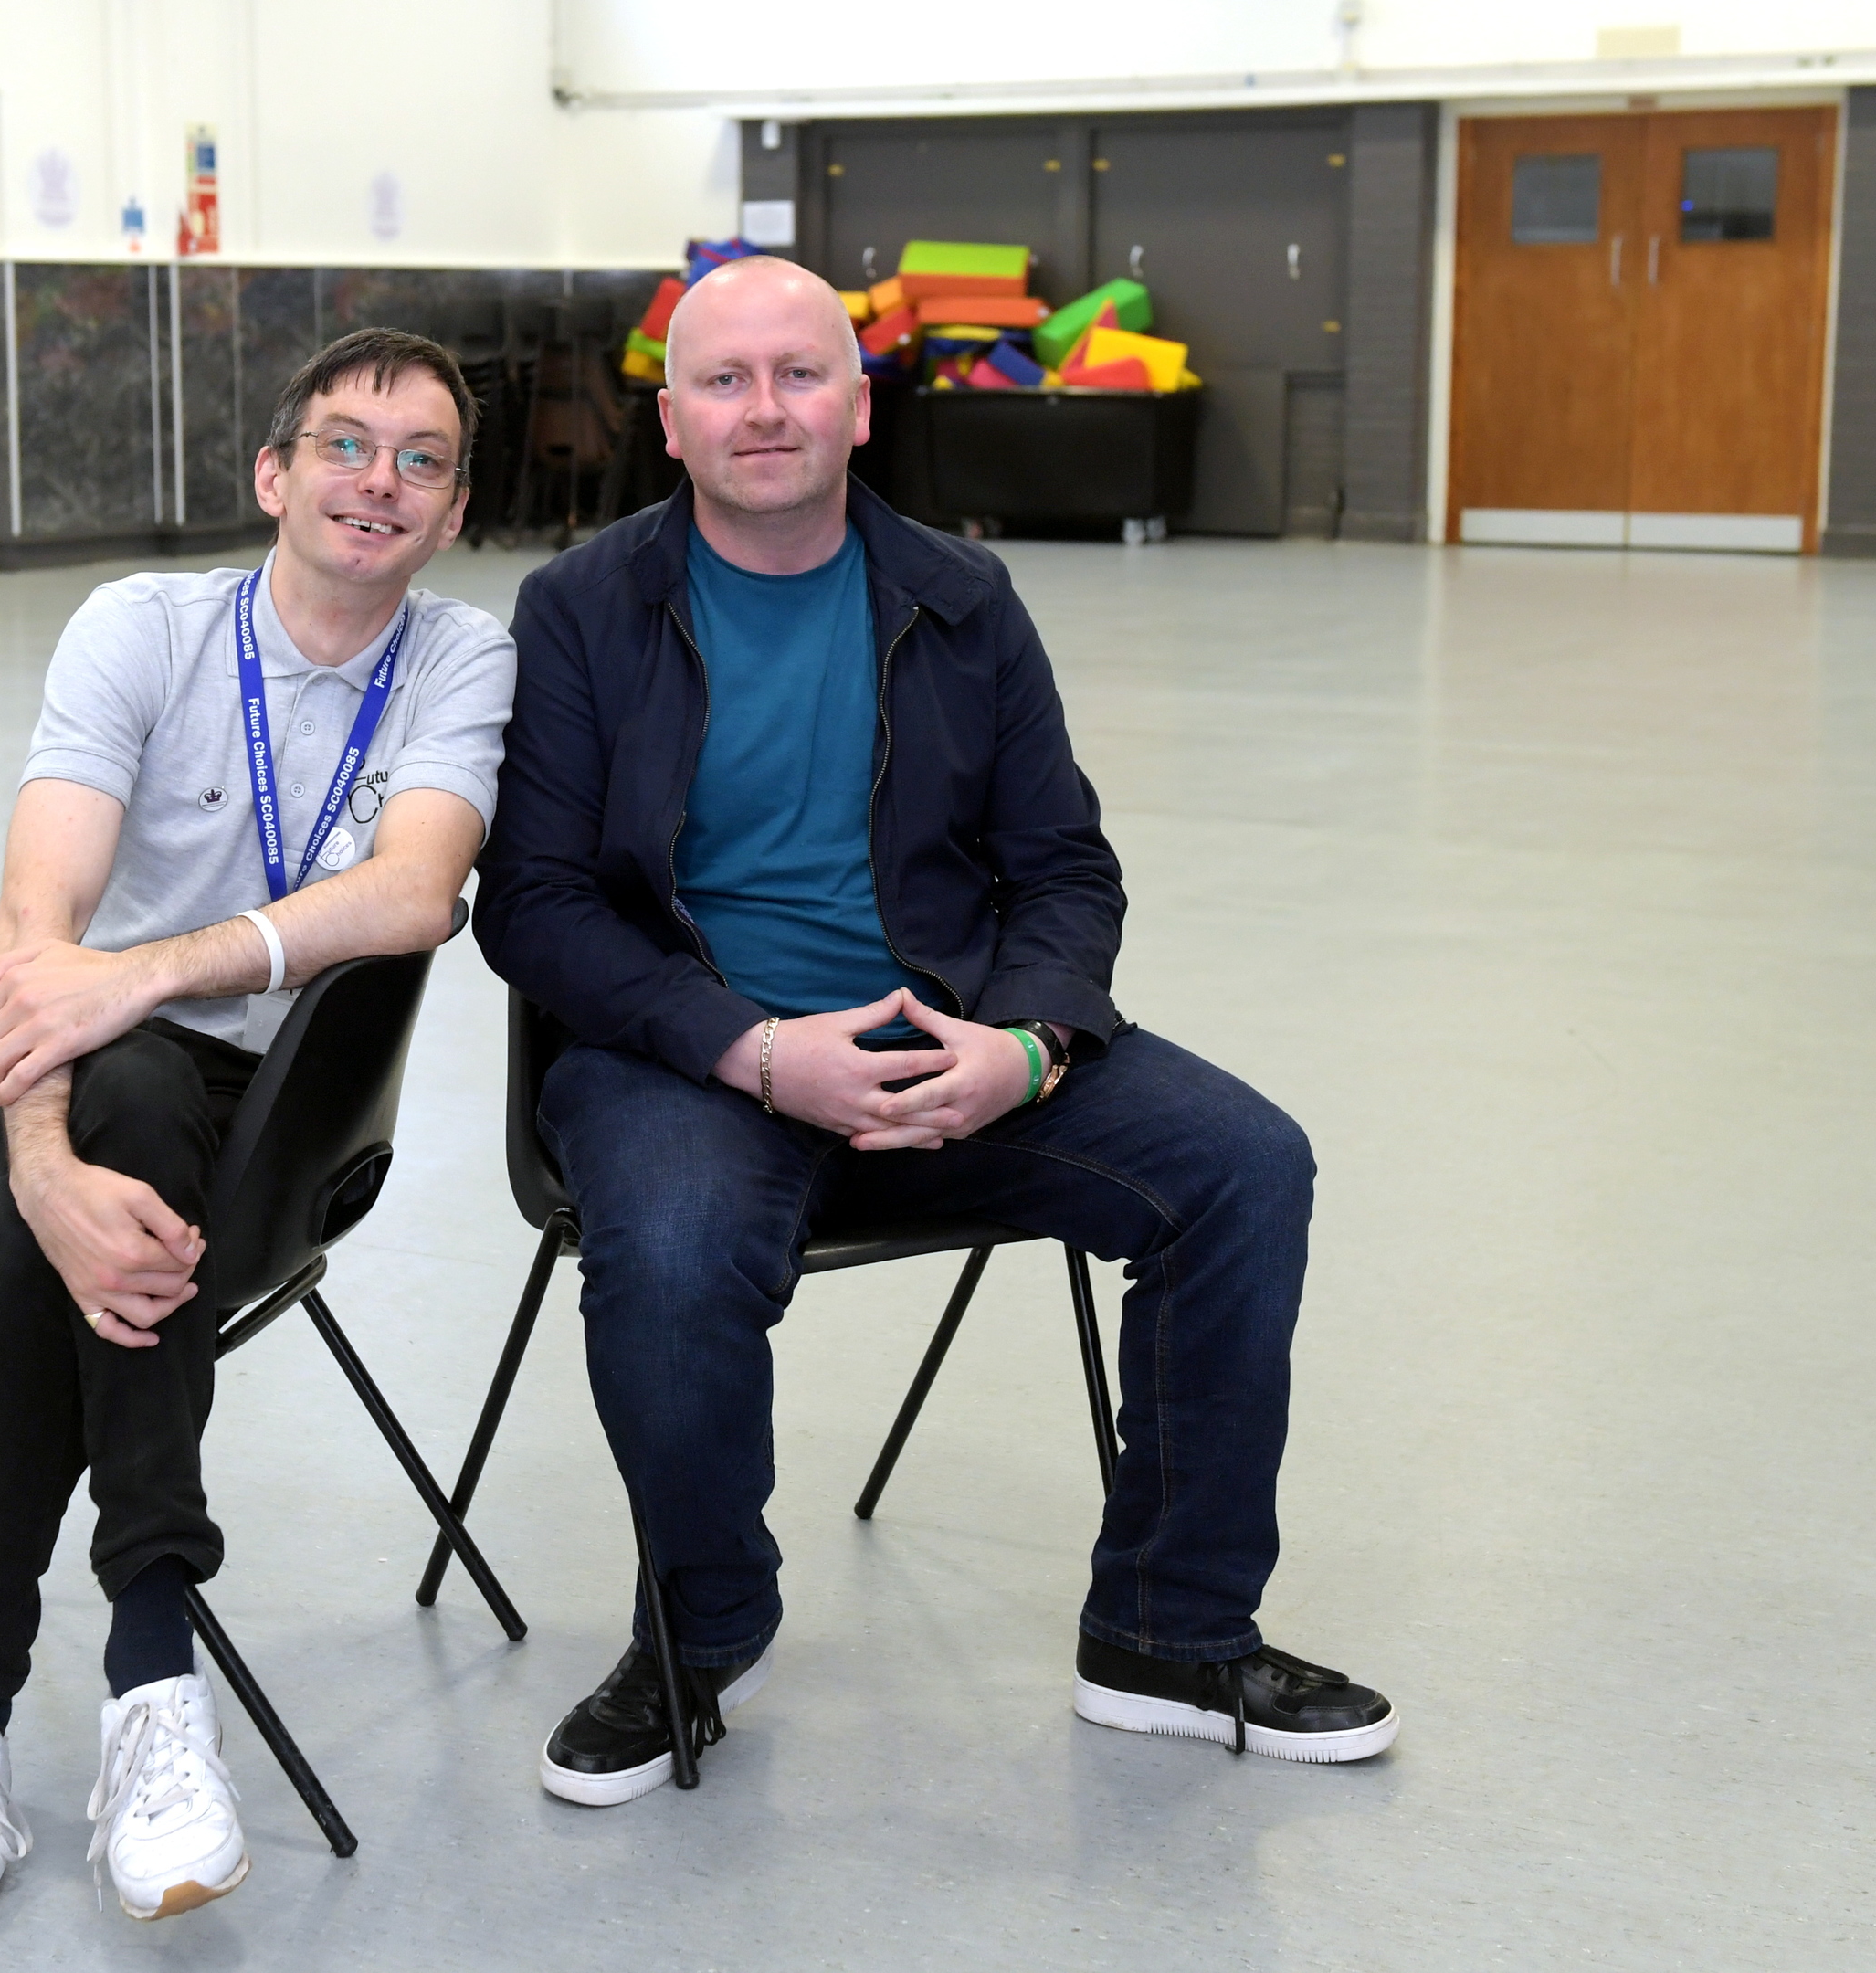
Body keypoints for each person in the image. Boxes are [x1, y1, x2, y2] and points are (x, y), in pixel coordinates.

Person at [471, 258, 1397, 1809]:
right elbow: (540, 907)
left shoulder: (961, 599)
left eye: (798, 374)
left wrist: (1022, 1048)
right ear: (670, 421)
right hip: (690, 1064)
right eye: (724, 380)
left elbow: (1061, 871)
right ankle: (702, 1631)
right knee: (677, 1257)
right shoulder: (579, 610)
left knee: (1244, 1167)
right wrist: (752, 1052)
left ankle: (1168, 1634)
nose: (763, 408)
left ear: (862, 405)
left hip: (946, 1043)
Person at [0, 328, 514, 1920]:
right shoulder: (140, 627)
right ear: (273, 474)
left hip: (278, 1108)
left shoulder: (460, 659)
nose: (380, 480)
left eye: (419, 460)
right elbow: (35, 918)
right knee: (98, 1136)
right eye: (346, 445)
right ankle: (153, 1677)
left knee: (114, 1120)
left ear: (449, 513)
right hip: (48, 1061)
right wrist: (41, 1164)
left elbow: (415, 891)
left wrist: (133, 981)